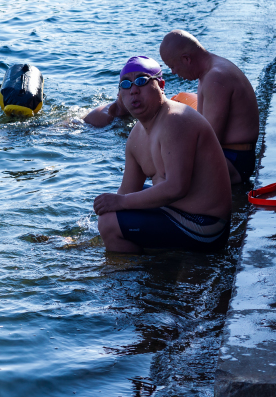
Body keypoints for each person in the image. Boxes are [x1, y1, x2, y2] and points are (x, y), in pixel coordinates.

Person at [94, 56, 231, 253]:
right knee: (109, 214)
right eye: (126, 84)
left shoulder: (175, 120)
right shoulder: (135, 136)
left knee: (110, 224)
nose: (133, 90)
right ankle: (142, 264)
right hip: (175, 213)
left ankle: (133, 277)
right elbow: (125, 193)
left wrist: (119, 205)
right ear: (120, 94)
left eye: (142, 80)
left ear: (161, 85)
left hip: (206, 226)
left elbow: (177, 188)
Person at [158, 30, 259, 184]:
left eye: (173, 66)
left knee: (163, 171)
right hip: (232, 155)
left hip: (235, 161)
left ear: (186, 59)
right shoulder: (210, 71)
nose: (173, 72)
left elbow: (210, 140)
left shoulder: (215, 78)